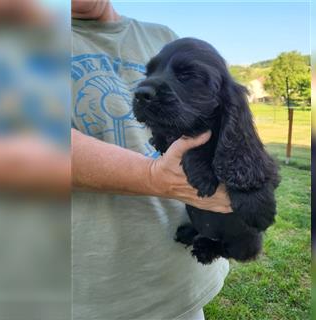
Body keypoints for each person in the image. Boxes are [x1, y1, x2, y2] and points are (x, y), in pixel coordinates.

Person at [71, 1, 231, 319]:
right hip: (87, 293)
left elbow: (218, 110)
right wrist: (155, 176)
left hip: (179, 277)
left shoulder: (165, 37)